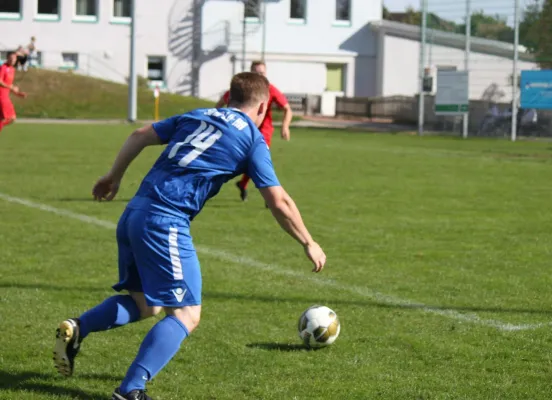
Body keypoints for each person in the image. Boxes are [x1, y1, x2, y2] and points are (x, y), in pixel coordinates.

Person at [53, 72, 326, 400]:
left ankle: (79, 328)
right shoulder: (252, 138)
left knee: (146, 304)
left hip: (134, 213)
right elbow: (278, 200)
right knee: (186, 314)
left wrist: (113, 177)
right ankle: (130, 390)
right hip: (165, 221)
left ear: (227, 98)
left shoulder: (197, 115)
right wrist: (308, 242)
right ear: (264, 106)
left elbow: (140, 134)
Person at [216, 60, 293, 202]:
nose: (259, 75)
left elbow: (287, 108)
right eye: (256, 73)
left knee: (258, 161)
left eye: (262, 73)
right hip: (241, 130)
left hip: (263, 131)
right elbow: (221, 103)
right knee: (245, 161)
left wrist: (285, 126)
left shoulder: (271, 90)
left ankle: (271, 198)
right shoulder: (241, 90)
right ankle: (264, 194)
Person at [0, 51, 27, 134]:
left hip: (5, 96)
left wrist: (18, 93)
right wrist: (11, 87)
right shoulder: (3, 67)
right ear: (7, 58)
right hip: (1, 96)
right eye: (10, 58)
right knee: (9, 118)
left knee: (11, 118)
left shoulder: (12, 69)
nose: (12, 60)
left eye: (14, 58)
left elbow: (9, 84)